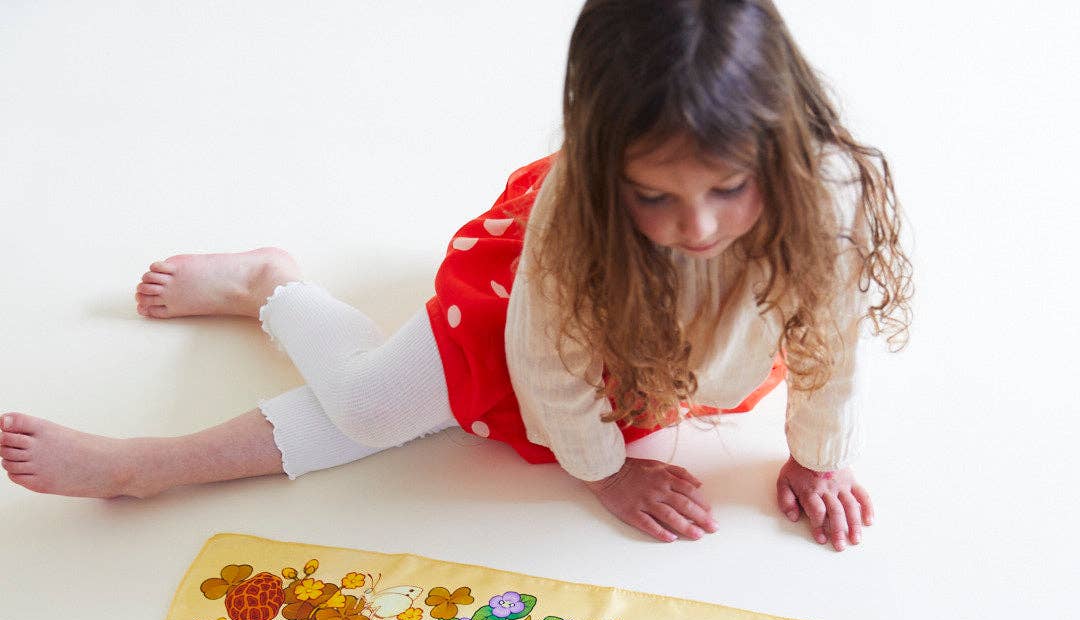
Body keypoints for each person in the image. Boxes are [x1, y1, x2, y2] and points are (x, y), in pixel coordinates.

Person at [0, 0, 910, 550]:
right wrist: (599, 471)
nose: (698, 228)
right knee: (368, 407)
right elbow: (549, 362)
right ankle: (262, 303)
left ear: (779, 151)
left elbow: (831, 347)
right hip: (549, 321)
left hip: (658, 358)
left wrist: (814, 457)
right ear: (603, 172)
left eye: (727, 189)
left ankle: (200, 389)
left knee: (379, 411)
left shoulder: (819, 205)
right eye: (655, 197)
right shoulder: (576, 227)